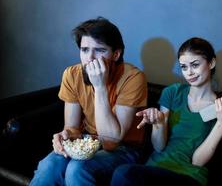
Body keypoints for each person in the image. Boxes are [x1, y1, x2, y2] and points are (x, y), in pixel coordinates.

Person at [29, 17, 147, 186]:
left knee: (77, 168)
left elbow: (111, 142)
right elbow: (73, 127)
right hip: (87, 140)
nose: (90, 58)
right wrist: (67, 135)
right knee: (49, 165)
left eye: (99, 50)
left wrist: (100, 87)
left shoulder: (133, 78)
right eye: (84, 50)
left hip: (125, 148)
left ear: (116, 54)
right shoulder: (72, 74)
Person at [110, 37, 222, 186]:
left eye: (195, 65)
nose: (189, 72)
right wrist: (159, 123)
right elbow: (159, 147)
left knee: (123, 174)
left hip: (188, 175)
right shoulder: (172, 93)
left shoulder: (220, 107)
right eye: (184, 67)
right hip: (154, 169)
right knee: (124, 174)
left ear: (211, 63)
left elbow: (197, 162)